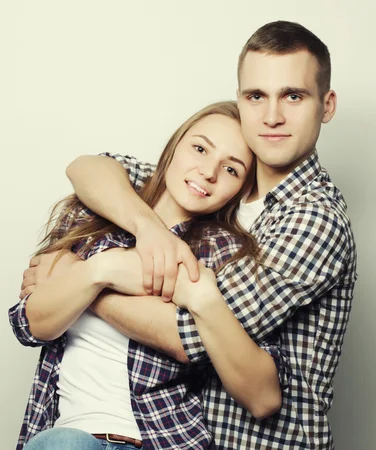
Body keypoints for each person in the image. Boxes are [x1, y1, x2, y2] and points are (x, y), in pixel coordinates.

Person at [60, 21, 357, 449]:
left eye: (294, 96)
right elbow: (91, 169)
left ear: (326, 105)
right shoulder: (222, 186)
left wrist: (80, 279)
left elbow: (186, 333)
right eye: (257, 96)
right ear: (241, 99)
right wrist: (147, 228)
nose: (272, 116)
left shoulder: (314, 219)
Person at [9, 101, 288, 450]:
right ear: (174, 146)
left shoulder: (228, 255)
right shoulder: (92, 215)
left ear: (243, 188)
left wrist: (86, 277)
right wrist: (103, 267)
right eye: (200, 148)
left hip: (161, 439)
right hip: (65, 436)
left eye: (231, 170)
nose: (208, 172)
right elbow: (30, 324)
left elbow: (221, 358)